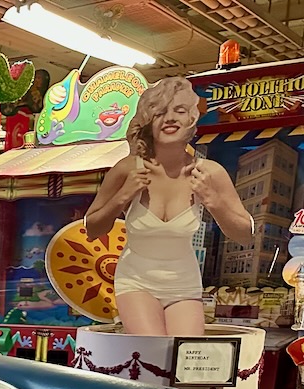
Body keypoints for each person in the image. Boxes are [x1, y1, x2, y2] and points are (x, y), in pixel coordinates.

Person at [85, 77, 254, 337]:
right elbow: (92, 227)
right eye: (160, 112)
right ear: (148, 121)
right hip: (136, 282)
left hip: (184, 285)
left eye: (180, 110)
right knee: (153, 352)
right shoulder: (127, 169)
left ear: (191, 120)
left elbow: (245, 233)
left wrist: (214, 201)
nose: (170, 118)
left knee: (182, 362)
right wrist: (122, 197)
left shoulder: (209, 172)